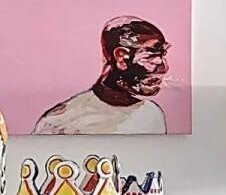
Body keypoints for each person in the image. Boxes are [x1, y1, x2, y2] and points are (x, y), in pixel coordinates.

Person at [34, 15, 170, 134]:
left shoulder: (152, 114)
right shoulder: (59, 122)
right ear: (121, 57)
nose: (164, 68)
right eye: (150, 57)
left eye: (162, 55)